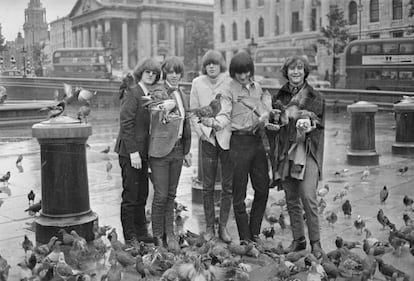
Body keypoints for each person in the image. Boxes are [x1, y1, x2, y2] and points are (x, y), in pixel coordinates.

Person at [201, 51, 271, 243]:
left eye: (246, 71)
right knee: (238, 194)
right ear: (233, 72)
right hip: (238, 143)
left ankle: (254, 230)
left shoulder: (258, 88)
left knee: (263, 188)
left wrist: (267, 115)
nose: (243, 76)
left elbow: (266, 110)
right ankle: (245, 237)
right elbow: (224, 113)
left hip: (256, 141)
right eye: (239, 72)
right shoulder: (228, 90)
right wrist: (215, 123)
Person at [271, 55, 325, 258]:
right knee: (291, 198)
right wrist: (275, 122)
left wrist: (310, 125)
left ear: (304, 72)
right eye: (292, 69)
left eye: (299, 69)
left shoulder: (315, 96)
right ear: (287, 72)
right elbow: (275, 121)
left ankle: (316, 243)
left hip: (307, 150)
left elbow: (320, 124)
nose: (295, 72)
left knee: (308, 196)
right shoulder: (280, 96)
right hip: (286, 150)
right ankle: (298, 240)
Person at [114, 58, 161, 246]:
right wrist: (133, 152)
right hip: (129, 152)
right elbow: (126, 124)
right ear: (141, 73)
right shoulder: (133, 93)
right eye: (147, 72)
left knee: (142, 193)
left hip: (144, 153)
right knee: (130, 195)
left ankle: (141, 232)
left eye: (154, 73)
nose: (151, 75)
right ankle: (129, 235)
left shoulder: (151, 95)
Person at [147, 56, 192, 251]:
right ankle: (158, 236)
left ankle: (170, 234)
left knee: (171, 195)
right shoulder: (159, 90)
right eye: (171, 72)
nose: (174, 75)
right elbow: (155, 107)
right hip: (160, 151)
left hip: (178, 149)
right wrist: (165, 105)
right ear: (165, 73)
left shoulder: (182, 93)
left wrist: (187, 150)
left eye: (177, 72)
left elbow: (186, 122)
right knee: (161, 195)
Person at [189, 50, 233, 243]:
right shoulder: (197, 83)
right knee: (207, 187)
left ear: (220, 65)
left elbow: (233, 111)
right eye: (208, 64)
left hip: (226, 140)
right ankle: (209, 227)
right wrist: (202, 134)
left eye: (215, 63)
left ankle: (222, 226)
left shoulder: (230, 82)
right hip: (207, 141)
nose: (211, 67)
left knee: (227, 186)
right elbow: (193, 114)